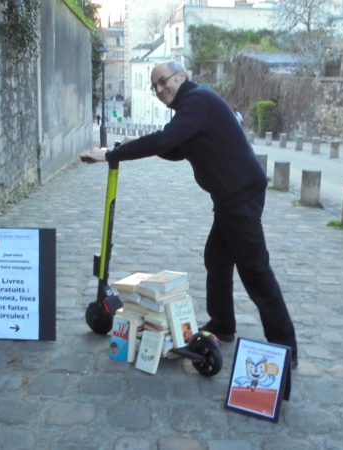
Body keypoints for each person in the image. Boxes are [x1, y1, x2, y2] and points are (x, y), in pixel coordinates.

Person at [80, 60, 298, 368]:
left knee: (256, 273)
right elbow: (178, 148)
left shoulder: (197, 100)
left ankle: (285, 348)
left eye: (164, 81)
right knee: (217, 259)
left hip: (240, 197)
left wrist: (110, 155)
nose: (159, 89)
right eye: (154, 85)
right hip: (230, 197)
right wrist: (138, 144)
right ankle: (222, 324)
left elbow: (167, 140)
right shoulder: (192, 106)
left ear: (181, 76)